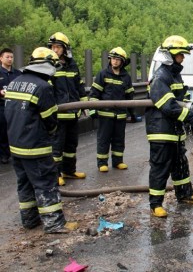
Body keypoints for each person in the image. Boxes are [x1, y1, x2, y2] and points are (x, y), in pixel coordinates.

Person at [4, 47, 77, 233]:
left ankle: (29, 220)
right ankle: (54, 223)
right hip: (35, 147)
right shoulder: (43, 87)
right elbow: (51, 120)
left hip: (15, 146)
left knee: (25, 184)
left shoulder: (14, 82)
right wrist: (51, 134)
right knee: (46, 183)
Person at [145, 35, 193, 218]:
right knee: (160, 167)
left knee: (180, 165)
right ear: (170, 56)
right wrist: (192, 117)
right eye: (181, 54)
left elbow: (182, 96)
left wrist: (190, 104)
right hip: (161, 133)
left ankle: (185, 195)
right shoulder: (160, 77)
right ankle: (155, 204)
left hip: (175, 132)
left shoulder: (174, 75)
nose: (183, 58)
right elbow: (168, 106)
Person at [47, 32, 87, 186]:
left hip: (73, 113)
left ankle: (69, 171)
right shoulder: (49, 65)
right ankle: (56, 174)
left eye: (58, 47)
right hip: (58, 114)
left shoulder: (72, 64)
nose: (55, 49)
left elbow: (79, 85)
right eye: (52, 47)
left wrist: (84, 105)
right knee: (56, 147)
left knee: (71, 146)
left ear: (65, 48)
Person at [89, 47, 135, 172]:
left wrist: (132, 113)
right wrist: (93, 110)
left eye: (117, 59)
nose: (114, 61)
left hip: (120, 115)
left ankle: (118, 162)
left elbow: (130, 97)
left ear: (122, 62)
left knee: (119, 140)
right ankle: (102, 163)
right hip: (105, 114)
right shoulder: (103, 74)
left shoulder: (126, 77)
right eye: (113, 59)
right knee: (104, 139)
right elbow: (94, 93)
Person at [0, 48, 21, 164]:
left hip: (15, 106)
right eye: (7, 57)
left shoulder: (18, 74)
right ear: (1, 58)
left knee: (15, 129)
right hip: (2, 106)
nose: (10, 59)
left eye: (11, 57)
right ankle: (4, 154)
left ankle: (15, 153)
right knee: (3, 130)